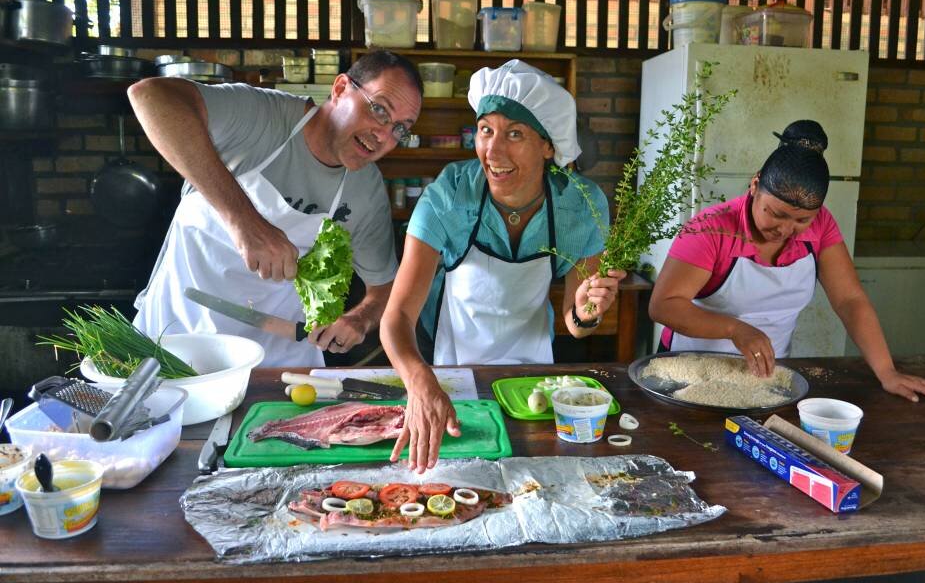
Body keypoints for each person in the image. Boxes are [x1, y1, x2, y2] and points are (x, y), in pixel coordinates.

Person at [380, 60, 626, 472]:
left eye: (515, 134)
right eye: (486, 130)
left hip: (532, 377)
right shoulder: (449, 197)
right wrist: (419, 381)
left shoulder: (581, 206)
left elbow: (574, 321)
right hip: (446, 370)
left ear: (549, 146)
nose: (492, 151)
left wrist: (587, 313)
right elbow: (397, 315)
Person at [128, 50, 423, 367]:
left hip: (276, 359)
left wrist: (360, 320)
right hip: (176, 337)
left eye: (400, 128)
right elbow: (150, 95)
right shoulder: (262, 117)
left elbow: (385, 287)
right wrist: (244, 222)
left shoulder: (365, 190)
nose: (384, 136)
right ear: (340, 89)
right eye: (379, 109)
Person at [648, 120, 925, 403]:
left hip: (768, 377)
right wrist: (735, 329)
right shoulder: (711, 229)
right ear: (755, 185)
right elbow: (663, 305)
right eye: (775, 213)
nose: (784, 229)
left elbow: (850, 300)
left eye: (801, 219)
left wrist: (887, 372)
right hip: (689, 372)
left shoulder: (821, 226)